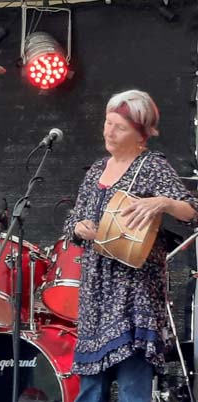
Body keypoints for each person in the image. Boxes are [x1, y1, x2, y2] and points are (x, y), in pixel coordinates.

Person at [63, 89, 198, 402]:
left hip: (134, 291)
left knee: (132, 389)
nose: (109, 132)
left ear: (141, 134)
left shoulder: (152, 166)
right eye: (107, 123)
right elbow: (72, 222)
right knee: (91, 390)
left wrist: (164, 202)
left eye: (119, 127)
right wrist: (79, 228)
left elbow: (193, 211)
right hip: (96, 293)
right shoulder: (97, 170)